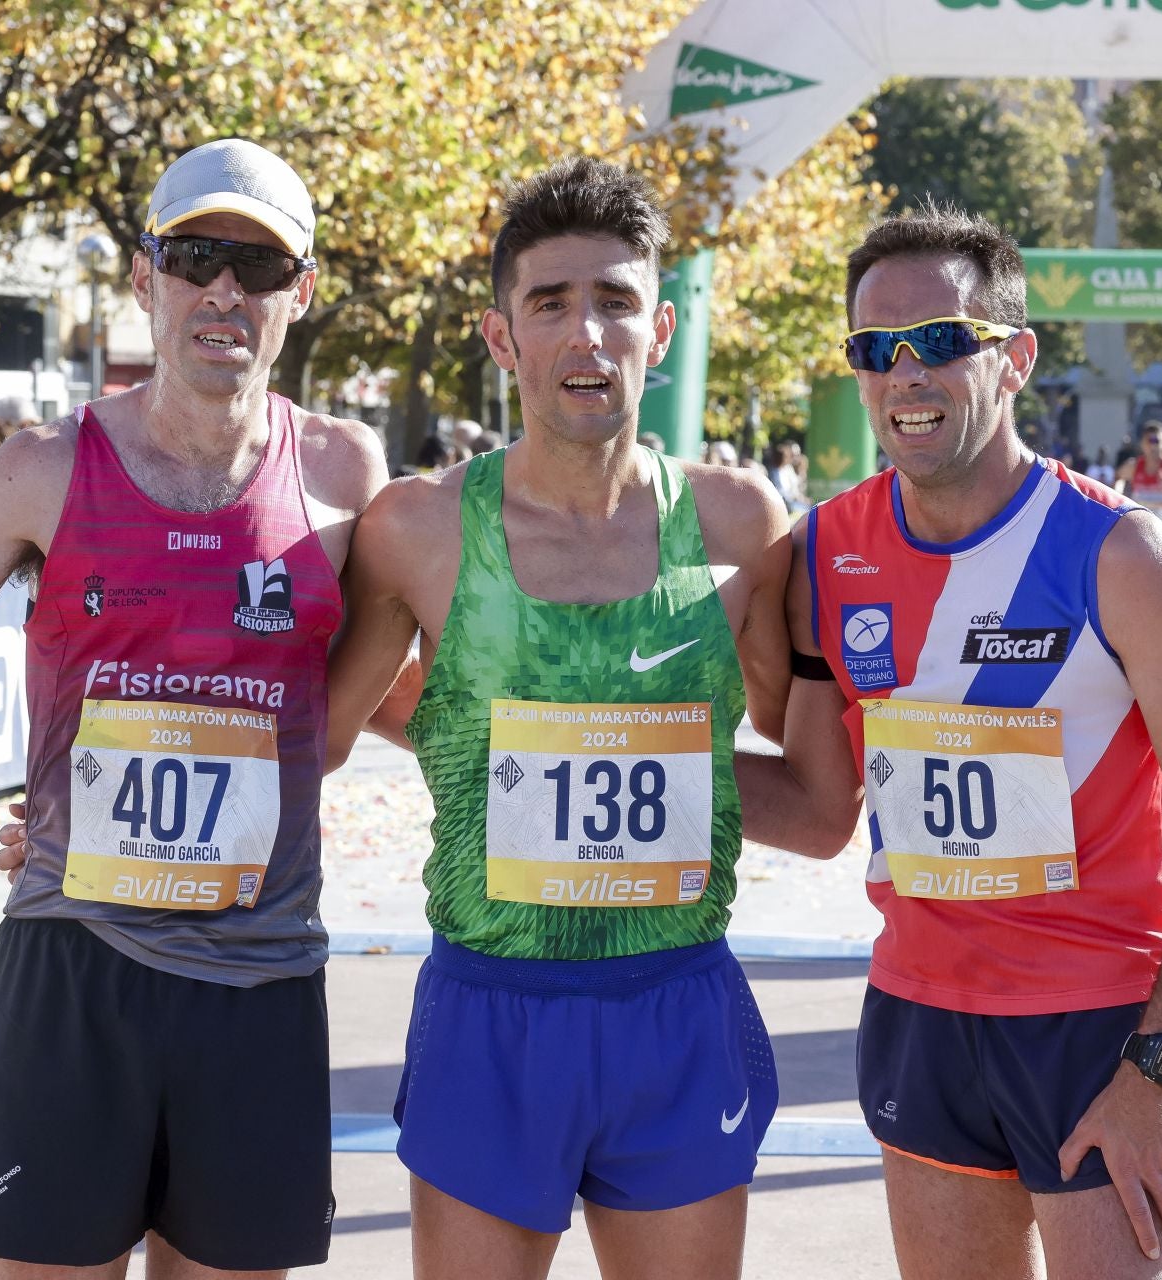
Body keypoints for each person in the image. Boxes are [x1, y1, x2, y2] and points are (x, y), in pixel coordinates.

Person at [0, 137, 387, 1278]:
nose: (222, 292)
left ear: (300, 294)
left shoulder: (347, 474)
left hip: (260, 982)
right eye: (196, 255)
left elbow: (380, 696)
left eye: (256, 269)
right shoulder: (41, 469)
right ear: (145, 276)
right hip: (75, 967)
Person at [322, 158, 797, 1280]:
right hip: (494, 1005)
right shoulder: (417, 530)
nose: (587, 334)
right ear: (502, 338)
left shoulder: (741, 525)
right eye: (552, 304)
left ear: (662, 328)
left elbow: (813, 774)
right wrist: (64, 820)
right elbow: (313, 730)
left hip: (675, 1000)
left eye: (616, 301)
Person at [780, 204, 1162, 1278]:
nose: (907, 375)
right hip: (918, 1011)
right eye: (876, 350)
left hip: (1096, 1030)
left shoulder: (1119, 553)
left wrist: (1158, 1067)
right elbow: (820, 807)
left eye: (944, 342)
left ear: (1016, 359)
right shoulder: (823, 548)